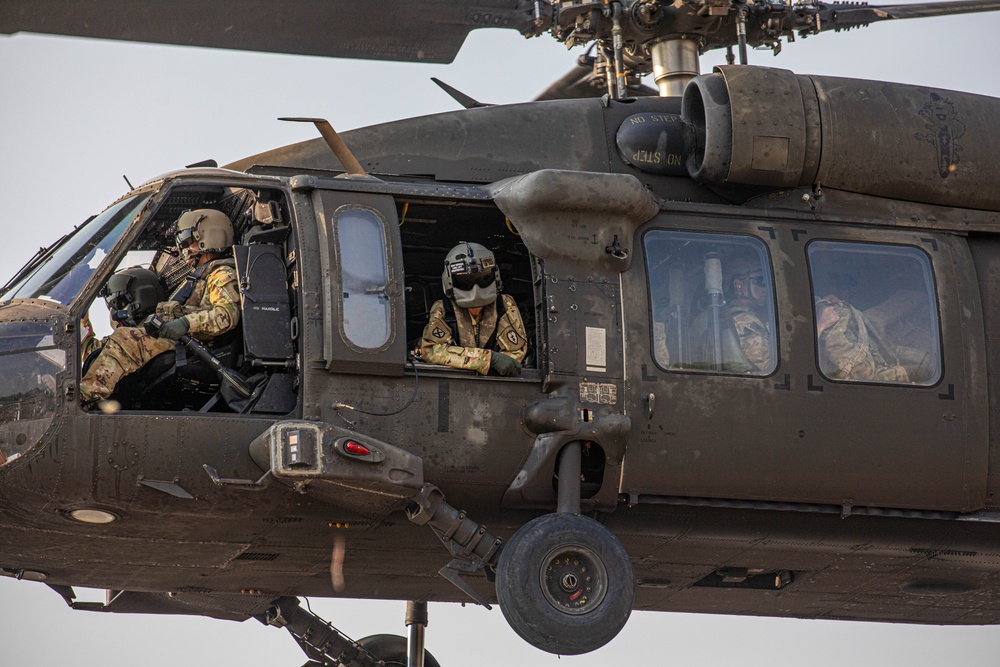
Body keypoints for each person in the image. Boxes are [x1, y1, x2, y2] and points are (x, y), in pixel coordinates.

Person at [80, 209, 241, 403]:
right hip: (182, 341)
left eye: (187, 240)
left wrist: (185, 323)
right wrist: (81, 319)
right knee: (104, 350)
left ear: (210, 236)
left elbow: (227, 315)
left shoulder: (221, 273)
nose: (183, 248)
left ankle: (86, 399)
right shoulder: (199, 277)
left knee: (127, 339)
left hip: (198, 347)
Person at [416, 241, 527, 376]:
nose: (475, 289)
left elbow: (513, 356)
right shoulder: (444, 309)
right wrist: (487, 359)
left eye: (482, 278)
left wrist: (465, 360)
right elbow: (431, 350)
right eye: (467, 280)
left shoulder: (504, 305)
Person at [815, 294, 909, 382]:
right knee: (917, 371)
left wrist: (823, 302)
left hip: (869, 351)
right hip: (857, 375)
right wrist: (820, 325)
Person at [723, 255, 772, 372]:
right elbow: (766, 369)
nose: (767, 288)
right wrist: (819, 327)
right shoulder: (745, 321)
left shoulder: (727, 316)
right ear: (738, 285)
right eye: (761, 281)